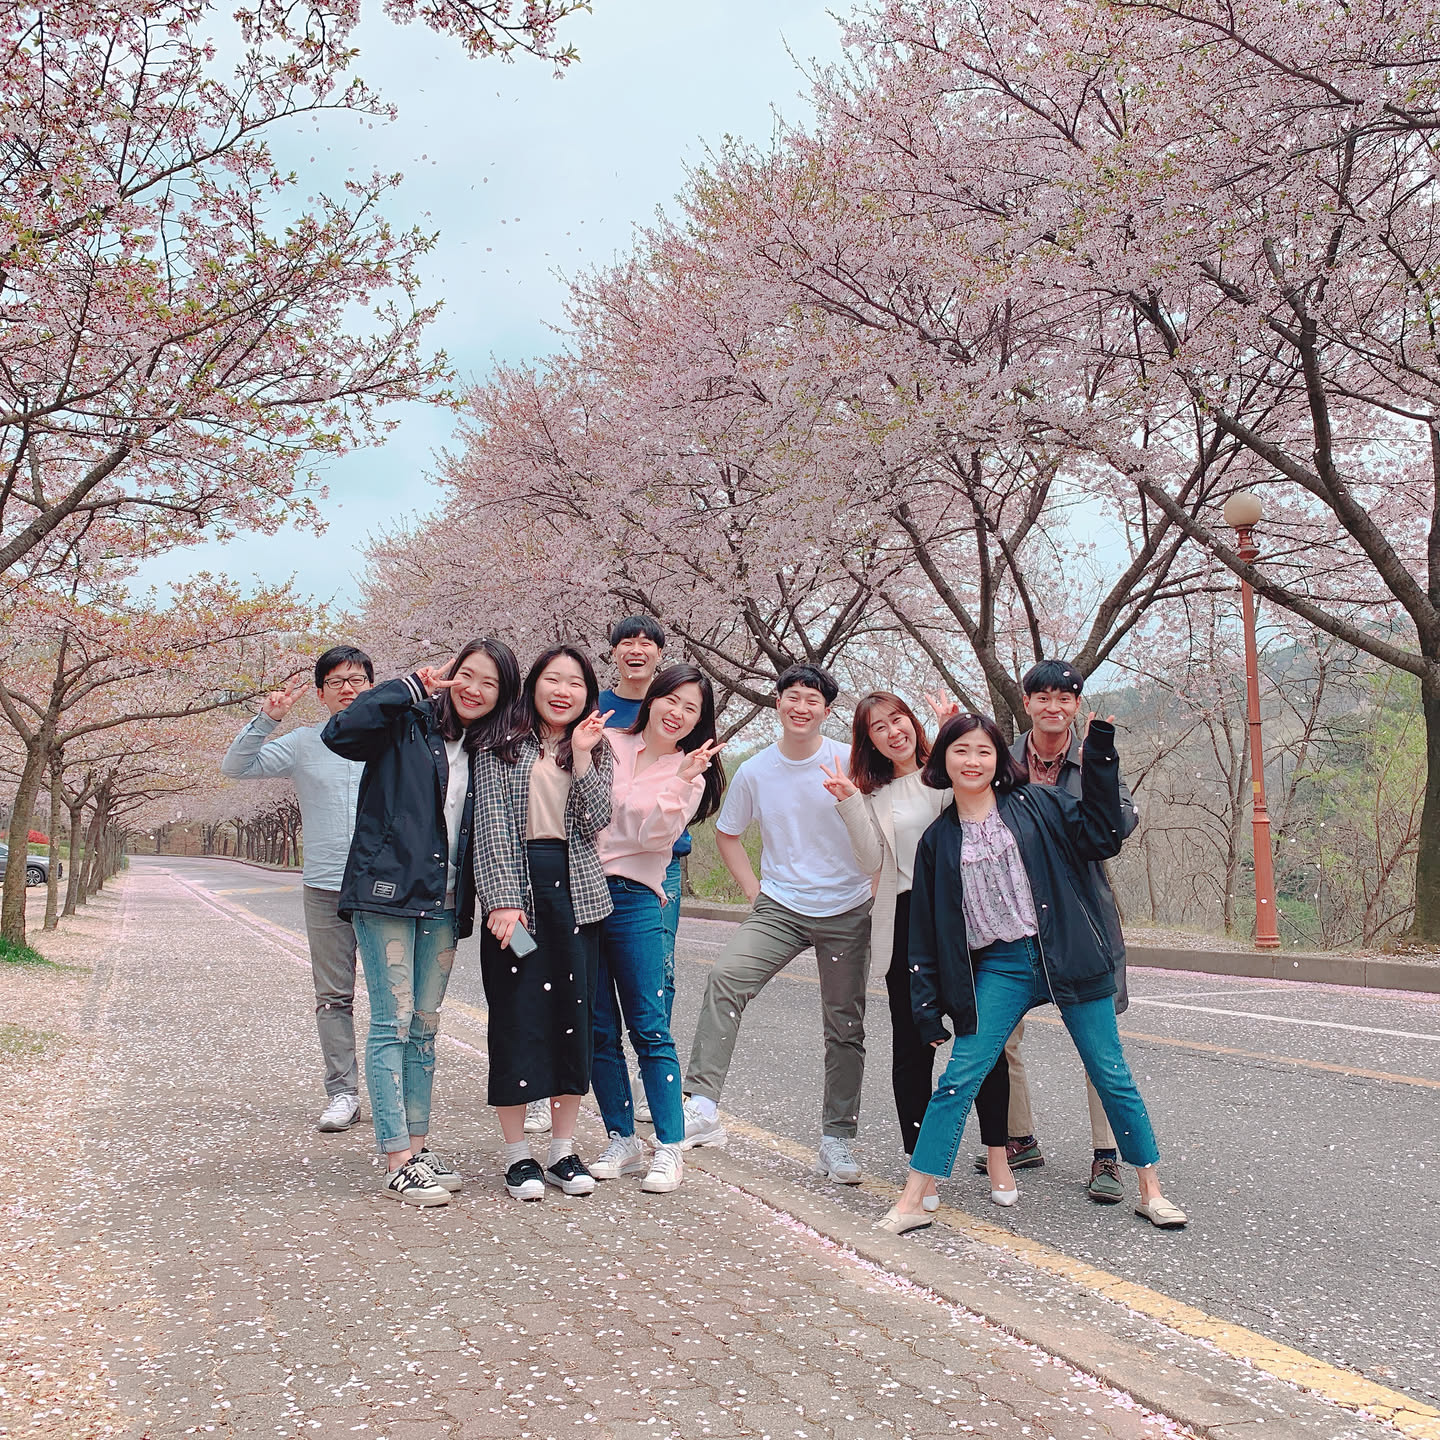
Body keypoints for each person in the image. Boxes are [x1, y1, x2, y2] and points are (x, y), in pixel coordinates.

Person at [876, 712, 1186, 1234]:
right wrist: (926, 1008)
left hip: (1067, 951)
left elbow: (1103, 834)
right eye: (961, 751)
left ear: (999, 759)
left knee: (1110, 1072)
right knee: (959, 1077)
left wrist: (1100, 757)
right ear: (943, 761)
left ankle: (1151, 1190)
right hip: (1003, 963)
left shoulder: (1038, 803)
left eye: (983, 751)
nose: (972, 761)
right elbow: (925, 934)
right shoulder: (938, 840)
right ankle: (912, 1200)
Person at [322, 639, 521, 1206]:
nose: (474, 690)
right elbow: (340, 734)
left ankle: (416, 1146)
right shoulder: (404, 719)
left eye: (490, 683)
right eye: (467, 675)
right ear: (450, 674)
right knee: (393, 1021)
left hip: (445, 899)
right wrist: (408, 687)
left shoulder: (490, 750)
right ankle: (396, 1160)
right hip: (386, 893)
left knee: (425, 1027)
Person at [823, 693, 1017, 1210]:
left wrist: (954, 733)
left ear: (913, 722)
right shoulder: (874, 796)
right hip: (908, 920)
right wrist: (849, 801)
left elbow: (983, 804)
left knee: (983, 1040)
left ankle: (997, 1154)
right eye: (878, 727)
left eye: (898, 719)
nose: (893, 732)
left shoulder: (946, 773)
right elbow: (870, 861)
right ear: (869, 741)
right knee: (911, 1051)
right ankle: (921, 1166)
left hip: (966, 914)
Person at [682, 663, 874, 1185]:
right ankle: (702, 1106)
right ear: (778, 702)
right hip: (781, 907)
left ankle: (836, 1139)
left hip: (847, 909)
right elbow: (727, 833)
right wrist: (754, 892)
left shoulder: (849, 759)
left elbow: (877, 830)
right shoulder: (756, 770)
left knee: (845, 1024)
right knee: (726, 977)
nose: (801, 707)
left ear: (827, 711)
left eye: (813, 700)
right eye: (793, 696)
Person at [981, 659, 1140, 1205]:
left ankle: (1107, 1154)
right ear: (1026, 702)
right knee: (1001, 1034)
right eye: (1043, 697)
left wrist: (1100, 765)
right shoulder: (1002, 760)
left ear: (1076, 704)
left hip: (1081, 914)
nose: (1053, 707)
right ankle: (1018, 1138)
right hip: (1011, 914)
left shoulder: (1093, 757)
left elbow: (1116, 825)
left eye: (1064, 698)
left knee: (1099, 1041)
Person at [472, 645, 614, 1202]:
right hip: (518, 894)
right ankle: (517, 1155)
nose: (563, 691)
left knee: (572, 1019)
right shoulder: (500, 744)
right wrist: (502, 901)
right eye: (553, 679)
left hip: (574, 896)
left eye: (575, 683)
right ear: (533, 685)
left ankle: (561, 1150)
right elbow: (492, 825)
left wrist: (581, 755)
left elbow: (596, 818)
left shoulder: (594, 747)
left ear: (587, 694)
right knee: (518, 1015)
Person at [221, 645, 371, 1133]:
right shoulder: (305, 742)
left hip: (382, 886)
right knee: (333, 995)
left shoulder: (395, 737)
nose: (348, 689)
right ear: (322, 693)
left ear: (371, 686)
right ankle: (343, 1093)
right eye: (336, 682)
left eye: (356, 679)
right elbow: (236, 767)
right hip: (325, 884)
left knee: (396, 997)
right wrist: (267, 719)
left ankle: (395, 1095)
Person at [589, 665, 726, 1193]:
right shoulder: (608, 742)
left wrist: (681, 780)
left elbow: (654, 839)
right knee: (599, 1027)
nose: (678, 713)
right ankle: (621, 1138)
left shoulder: (690, 772)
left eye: (692, 709)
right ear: (653, 698)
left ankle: (669, 1145)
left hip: (635, 899)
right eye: (672, 699)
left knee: (648, 1024)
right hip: (583, 894)